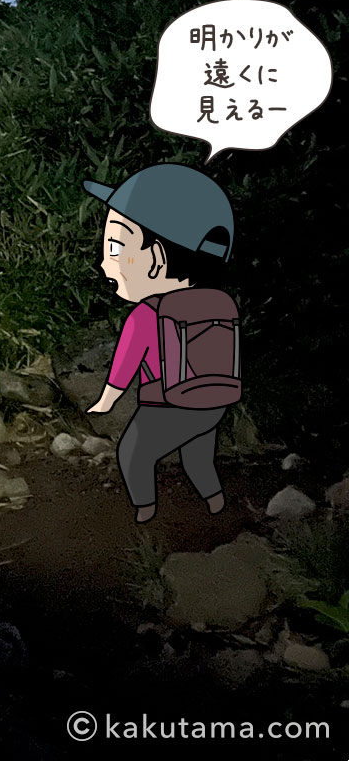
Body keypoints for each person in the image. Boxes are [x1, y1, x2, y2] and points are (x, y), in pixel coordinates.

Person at [82, 164, 237, 525]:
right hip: (214, 400)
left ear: (157, 260)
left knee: (133, 454)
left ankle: (145, 512)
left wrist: (105, 402)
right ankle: (216, 505)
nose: (106, 264)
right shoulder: (217, 300)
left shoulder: (146, 314)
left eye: (116, 248)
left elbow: (124, 366)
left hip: (167, 405)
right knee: (197, 457)